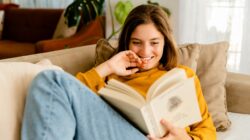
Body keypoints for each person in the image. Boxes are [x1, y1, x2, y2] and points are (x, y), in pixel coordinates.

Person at [21, 4, 216, 140]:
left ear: (166, 43)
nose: (146, 52)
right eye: (137, 42)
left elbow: (208, 130)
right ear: (127, 43)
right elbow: (68, 100)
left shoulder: (184, 76)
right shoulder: (113, 75)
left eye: (154, 43)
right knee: (48, 80)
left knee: (52, 79)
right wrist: (107, 67)